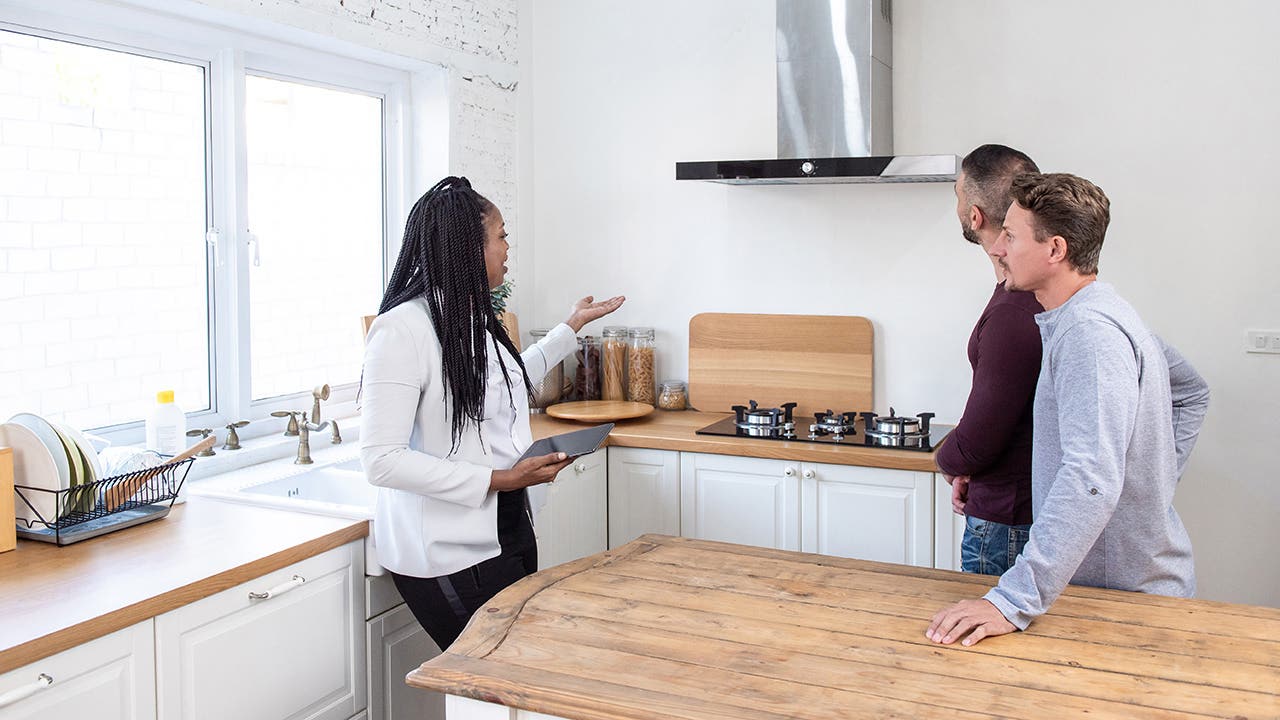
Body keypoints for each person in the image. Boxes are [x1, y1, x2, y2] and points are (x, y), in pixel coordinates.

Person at [927, 172, 1209, 646]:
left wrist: (1010, 599)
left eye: (1011, 237)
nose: (998, 249)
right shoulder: (1097, 313)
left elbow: (1090, 476)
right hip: (1108, 590)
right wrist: (1148, 487)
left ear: (1055, 250)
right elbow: (1192, 391)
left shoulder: (1088, 334)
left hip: (1119, 603)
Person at [359, 176, 624, 650]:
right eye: (501, 236)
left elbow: (507, 381)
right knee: (494, 673)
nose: (507, 249)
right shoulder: (402, 331)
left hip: (506, 522)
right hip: (444, 551)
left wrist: (569, 328)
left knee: (519, 674)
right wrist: (500, 480)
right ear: (468, 248)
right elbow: (381, 459)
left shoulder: (469, 316)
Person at [938, 144, 1043, 576]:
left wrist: (950, 460)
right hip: (1011, 504)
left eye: (959, 196)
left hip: (1006, 520)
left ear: (975, 216)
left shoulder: (1015, 311)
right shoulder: (1021, 291)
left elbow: (982, 435)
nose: (959, 205)